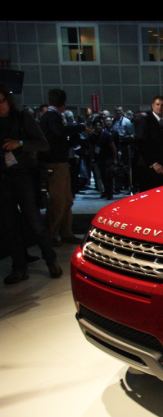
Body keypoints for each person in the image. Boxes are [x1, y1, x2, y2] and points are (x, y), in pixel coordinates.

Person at [0, 84, 62, 284]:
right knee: (10, 225)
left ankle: (50, 260)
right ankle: (19, 267)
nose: (0, 106)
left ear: (8, 100)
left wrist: (20, 143)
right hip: (4, 178)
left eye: (2, 101)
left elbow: (43, 143)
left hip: (23, 175)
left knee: (34, 221)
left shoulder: (22, 117)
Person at [37, 88, 91, 246]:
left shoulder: (48, 116)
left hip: (58, 162)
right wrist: (80, 128)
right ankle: (53, 235)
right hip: (55, 163)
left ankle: (65, 233)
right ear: (64, 102)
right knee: (59, 202)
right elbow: (59, 132)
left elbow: (57, 136)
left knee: (66, 201)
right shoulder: (53, 116)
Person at [135, 95, 163, 191]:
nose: (159, 107)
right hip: (149, 167)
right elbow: (141, 143)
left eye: (162, 105)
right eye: (157, 104)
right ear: (153, 106)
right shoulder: (145, 121)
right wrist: (153, 163)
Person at [89, 117, 118, 199]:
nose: (98, 127)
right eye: (96, 125)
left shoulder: (106, 135)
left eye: (99, 125)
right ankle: (106, 191)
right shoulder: (93, 136)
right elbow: (92, 148)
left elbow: (113, 147)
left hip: (108, 158)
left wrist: (115, 159)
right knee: (102, 176)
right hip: (99, 158)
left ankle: (110, 192)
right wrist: (91, 159)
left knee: (109, 175)